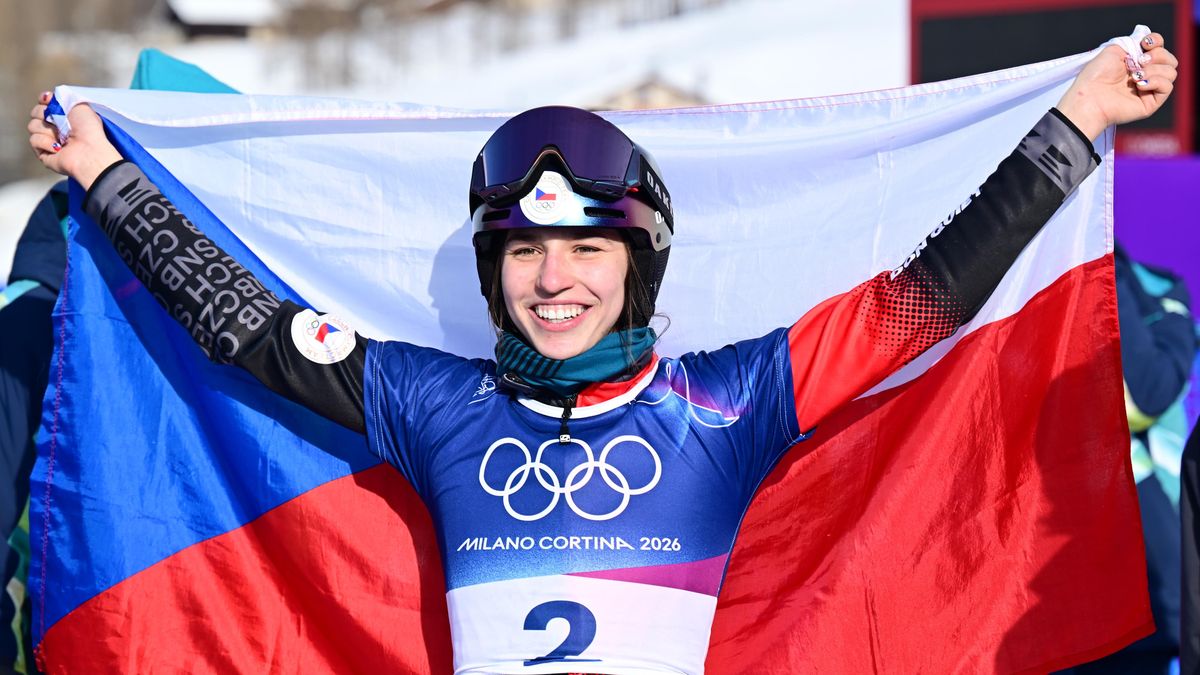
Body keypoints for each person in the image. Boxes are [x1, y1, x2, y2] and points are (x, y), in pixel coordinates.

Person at [26, 35, 1178, 674]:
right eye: (520, 252)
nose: (552, 279)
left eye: (586, 250)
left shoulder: (726, 403)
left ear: (641, 266)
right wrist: (101, 177)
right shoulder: (433, 404)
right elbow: (251, 329)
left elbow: (929, 299)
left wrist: (1078, 117)